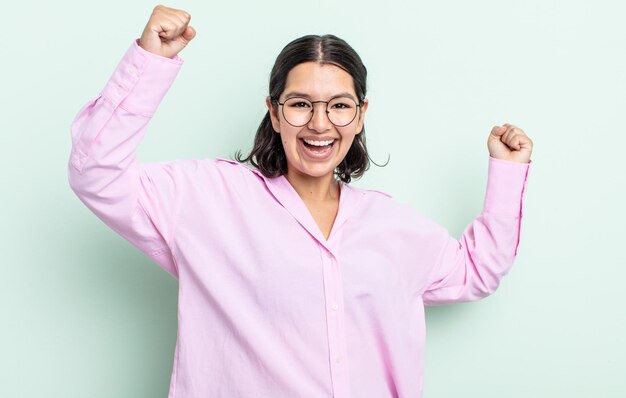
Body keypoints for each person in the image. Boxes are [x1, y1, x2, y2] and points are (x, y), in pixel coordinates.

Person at [67, 5, 533, 398]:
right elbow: (96, 172)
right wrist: (150, 61)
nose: (319, 124)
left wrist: (507, 172)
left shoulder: (394, 226)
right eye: (300, 103)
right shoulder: (206, 199)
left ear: (360, 114)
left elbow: (476, 271)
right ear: (273, 111)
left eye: (338, 105)